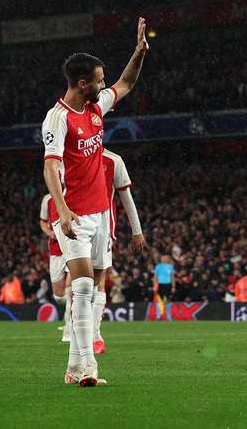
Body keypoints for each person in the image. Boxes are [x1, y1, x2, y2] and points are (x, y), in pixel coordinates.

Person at [41, 16, 148, 387]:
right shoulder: (57, 119)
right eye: (98, 81)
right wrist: (64, 209)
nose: (104, 86)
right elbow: (51, 170)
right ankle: (89, 367)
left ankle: (73, 368)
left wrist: (139, 52)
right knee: (83, 286)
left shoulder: (95, 108)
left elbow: (127, 82)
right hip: (72, 215)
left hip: (101, 213)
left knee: (95, 285)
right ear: (82, 84)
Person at [94, 147, 147, 354]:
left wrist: (137, 230)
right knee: (80, 283)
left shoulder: (113, 161)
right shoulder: (70, 156)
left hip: (103, 228)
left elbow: (126, 196)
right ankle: (80, 332)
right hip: (75, 227)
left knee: (96, 281)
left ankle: (95, 336)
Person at [40, 190, 73, 343]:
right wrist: (49, 233)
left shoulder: (73, 193)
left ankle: (69, 329)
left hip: (73, 246)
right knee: (59, 296)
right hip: (55, 250)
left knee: (70, 290)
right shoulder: (47, 199)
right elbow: (42, 221)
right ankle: (81, 305)